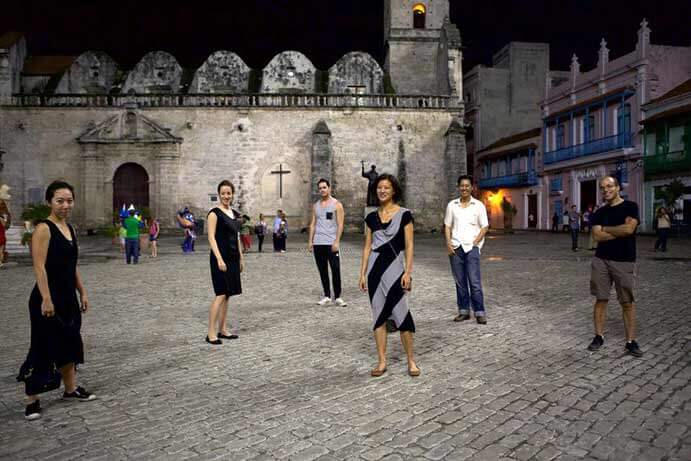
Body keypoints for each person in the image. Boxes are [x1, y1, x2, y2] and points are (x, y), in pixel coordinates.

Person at [16, 180, 96, 421]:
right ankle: (32, 399)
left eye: (69, 200)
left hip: (67, 297)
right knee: (43, 344)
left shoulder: (69, 229)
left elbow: (72, 267)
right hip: (46, 298)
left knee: (71, 342)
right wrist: (46, 298)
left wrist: (82, 292)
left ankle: (70, 389)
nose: (65, 205)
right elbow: (39, 267)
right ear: (49, 202)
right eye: (59, 200)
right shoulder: (44, 228)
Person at [359, 174, 419, 377]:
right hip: (375, 272)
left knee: (402, 314)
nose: (382, 190)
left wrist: (408, 272)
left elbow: (410, 245)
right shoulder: (371, 218)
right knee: (378, 316)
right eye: (379, 188)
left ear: (394, 191)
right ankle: (382, 361)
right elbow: (367, 247)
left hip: (395, 270)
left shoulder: (404, 215)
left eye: (386, 187)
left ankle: (411, 361)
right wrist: (362, 274)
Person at [588, 176, 643, 357]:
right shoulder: (599, 212)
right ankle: (599, 336)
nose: (606, 190)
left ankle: (630, 341)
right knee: (601, 299)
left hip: (624, 260)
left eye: (610, 186)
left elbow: (629, 230)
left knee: (627, 302)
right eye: (602, 187)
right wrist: (620, 230)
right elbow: (597, 236)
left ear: (618, 187)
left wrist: (607, 228)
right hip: (601, 260)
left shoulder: (631, 207)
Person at [444, 175, 490, 324]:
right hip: (456, 248)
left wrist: (475, 242)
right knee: (460, 282)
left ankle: (479, 312)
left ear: (472, 188)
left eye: (467, 186)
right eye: (462, 186)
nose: (464, 188)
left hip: (472, 248)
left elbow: (485, 226)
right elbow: (447, 226)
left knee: (474, 281)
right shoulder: (452, 205)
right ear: (458, 187)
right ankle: (463, 311)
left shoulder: (478, 205)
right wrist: (448, 244)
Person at [206, 180, 243, 345]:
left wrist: (241, 258)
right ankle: (211, 333)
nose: (226, 196)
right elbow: (211, 237)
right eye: (223, 193)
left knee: (228, 295)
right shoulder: (214, 213)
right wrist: (219, 259)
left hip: (233, 258)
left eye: (229, 193)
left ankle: (223, 329)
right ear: (219, 194)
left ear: (232, 194)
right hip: (220, 258)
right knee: (220, 294)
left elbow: (237, 237)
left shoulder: (235, 214)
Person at [308, 178, 346, 307]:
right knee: (322, 270)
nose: (322, 190)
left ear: (329, 188)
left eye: (324, 187)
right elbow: (313, 224)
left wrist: (336, 241)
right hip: (318, 243)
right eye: (320, 188)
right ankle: (327, 295)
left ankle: (338, 296)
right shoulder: (316, 206)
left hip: (331, 242)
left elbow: (340, 225)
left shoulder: (337, 204)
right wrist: (310, 241)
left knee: (335, 269)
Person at [0, 189, 11, 269]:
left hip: (1, 234)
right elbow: (4, 225)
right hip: (1, 235)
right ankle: (0, 262)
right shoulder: (1, 217)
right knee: (1, 249)